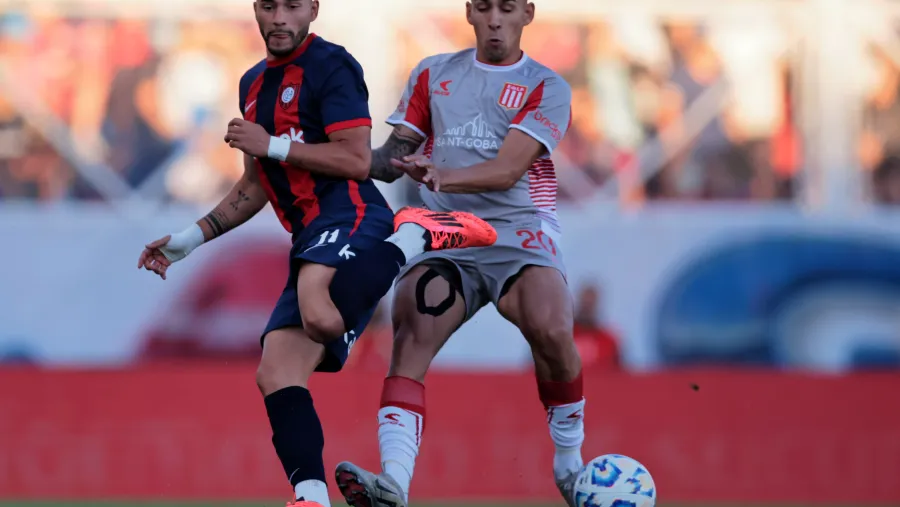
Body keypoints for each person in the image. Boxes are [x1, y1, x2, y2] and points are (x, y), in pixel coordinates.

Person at [136, 1, 497, 506]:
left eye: (292, 6)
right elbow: (255, 184)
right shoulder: (253, 83)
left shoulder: (333, 65)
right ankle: (311, 496)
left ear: (312, 10)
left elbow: (354, 159)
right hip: (308, 234)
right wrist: (191, 238)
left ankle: (415, 235)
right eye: (269, 6)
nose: (280, 17)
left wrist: (275, 146)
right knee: (276, 371)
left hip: (350, 214)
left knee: (317, 305)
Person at [334, 1, 584, 507]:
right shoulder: (432, 73)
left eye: (507, 8)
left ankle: (569, 463)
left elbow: (510, 169)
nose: (495, 18)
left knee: (553, 328)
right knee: (411, 326)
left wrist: (445, 175)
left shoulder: (547, 86)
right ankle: (394, 486)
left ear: (527, 14)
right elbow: (391, 158)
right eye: (485, 7)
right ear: (469, 13)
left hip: (515, 231)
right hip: (447, 232)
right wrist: (334, 153)